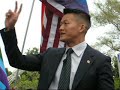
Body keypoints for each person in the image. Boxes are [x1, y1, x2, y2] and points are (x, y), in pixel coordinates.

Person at [1, 1, 114, 90]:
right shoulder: (50, 55)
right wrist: (9, 29)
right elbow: (17, 61)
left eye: (66, 23)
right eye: (60, 24)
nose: (60, 28)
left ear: (81, 27)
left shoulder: (100, 61)